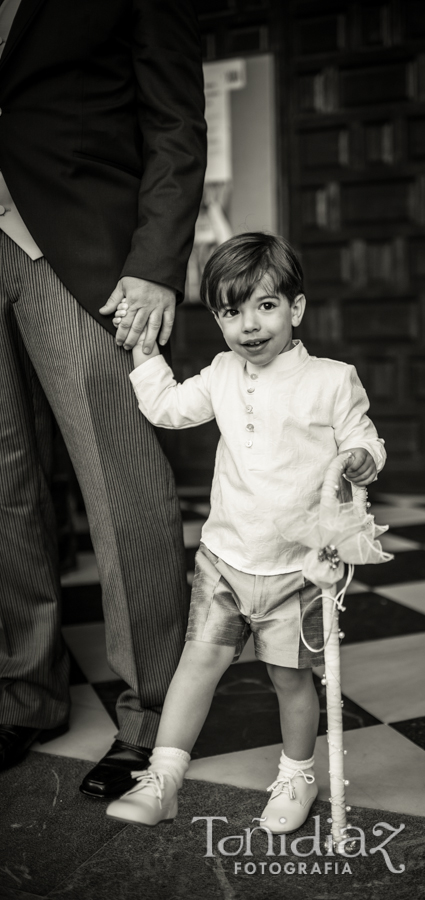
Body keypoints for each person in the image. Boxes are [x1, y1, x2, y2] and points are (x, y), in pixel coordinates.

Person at [104, 232, 386, 831]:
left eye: (265, 306)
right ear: (217, 319)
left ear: (296, 309)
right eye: (231, 312)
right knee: (197, 664)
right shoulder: (223, 372)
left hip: (297, 566)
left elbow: (364, 436)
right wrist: (144, 351)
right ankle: (164, 778)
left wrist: (361, 456)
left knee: (290, 679)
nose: (249, 325)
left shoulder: (332, 379)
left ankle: (296, 776)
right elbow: (168, 409)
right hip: (225, 558)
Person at [0, 0, 207, 800]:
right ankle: (25, 694)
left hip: (82, 253)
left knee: (121, 483)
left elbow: (174, 122)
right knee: (4, 486)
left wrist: (157, 261)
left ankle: (157, 718)